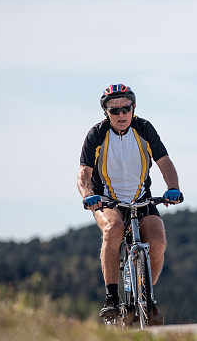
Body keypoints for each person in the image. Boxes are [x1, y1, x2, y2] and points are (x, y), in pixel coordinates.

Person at [77, 84, 183, 323]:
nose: (121, 115)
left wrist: (173, 188)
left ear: (133, 108)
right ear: (106, 113)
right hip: (107, 200)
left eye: (126, 109)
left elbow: (164, 161)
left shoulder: (144, 128)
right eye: (115, 111)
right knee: (112, 230)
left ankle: (147, 297)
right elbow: (84, 172)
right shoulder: (97, 133)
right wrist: (88, 195)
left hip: (142, 198)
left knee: (157, 241)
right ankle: (111, 298)